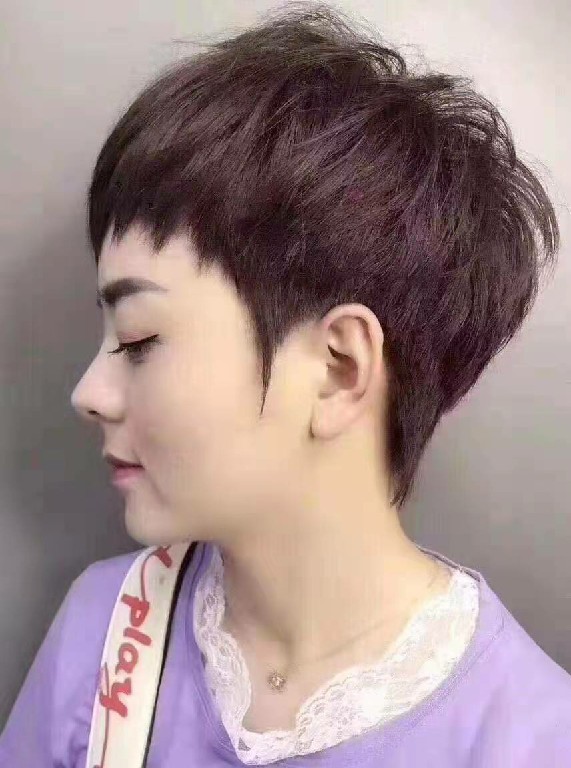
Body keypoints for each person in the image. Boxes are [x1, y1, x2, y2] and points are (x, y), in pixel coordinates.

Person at [1, 3, 570, 766]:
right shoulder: (105, 634)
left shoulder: (530, 739)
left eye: (138, 340)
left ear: (338, 369)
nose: (90, 393)